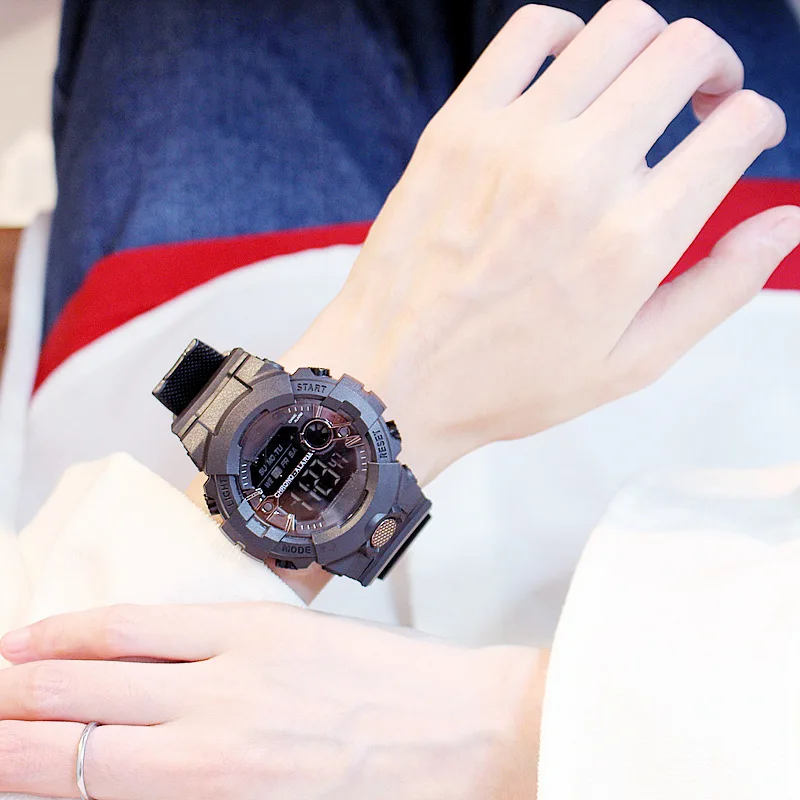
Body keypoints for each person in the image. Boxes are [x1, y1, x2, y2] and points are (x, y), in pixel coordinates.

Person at [0, 0, 798, 797]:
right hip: (696, 303)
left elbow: (37, 705)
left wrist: (386, 358)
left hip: (217, 298)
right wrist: (541, 731)